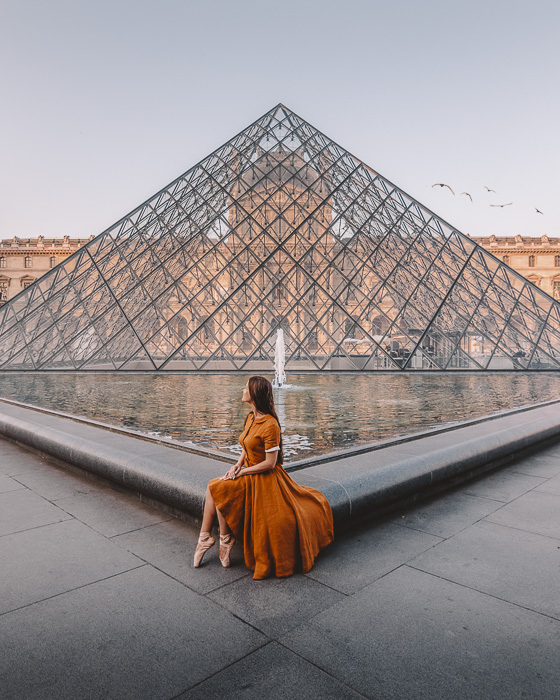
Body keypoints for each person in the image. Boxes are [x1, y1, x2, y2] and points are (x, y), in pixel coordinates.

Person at [193, 375, 334, 579]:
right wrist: (237, 465)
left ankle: (218, 540)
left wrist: (242, 472)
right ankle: (214, 538)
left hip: (264, 478)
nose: (242, 390)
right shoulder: (251, 418)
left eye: (246, 388)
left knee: (217, 489)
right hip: (248, 471)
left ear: (255, 394)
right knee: (216, 487)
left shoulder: (271, 425)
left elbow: (270, 463)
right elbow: (245, 446)